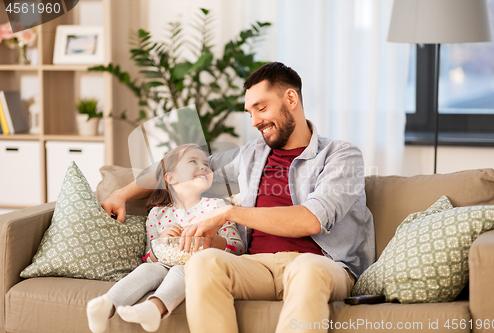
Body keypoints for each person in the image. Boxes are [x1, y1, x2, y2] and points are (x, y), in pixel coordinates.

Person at [101, 62, 375, 333]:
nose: (255, 121)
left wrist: (229, 213)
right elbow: (179, 168)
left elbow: (312, 220)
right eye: (250, 113)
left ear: (291, 98)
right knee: (202, 263)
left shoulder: (341, 155)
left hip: (321, 264)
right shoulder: (250, 155)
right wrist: (123, 193)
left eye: (262, 107)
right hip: (256, 266)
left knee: (307, 268)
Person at [88, 143, 244, 333]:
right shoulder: (157, 214)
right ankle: (107, 306)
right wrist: (161, 242)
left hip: (197, 267)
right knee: (148, 269)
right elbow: (148, 257)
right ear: (170, 178)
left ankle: (154, 308)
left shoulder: (219, 207)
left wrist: (212, 242)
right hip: (162, 265)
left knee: (181, 270)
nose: (204, 167)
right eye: (193, 161)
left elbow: (239, 248)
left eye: (207, 165)